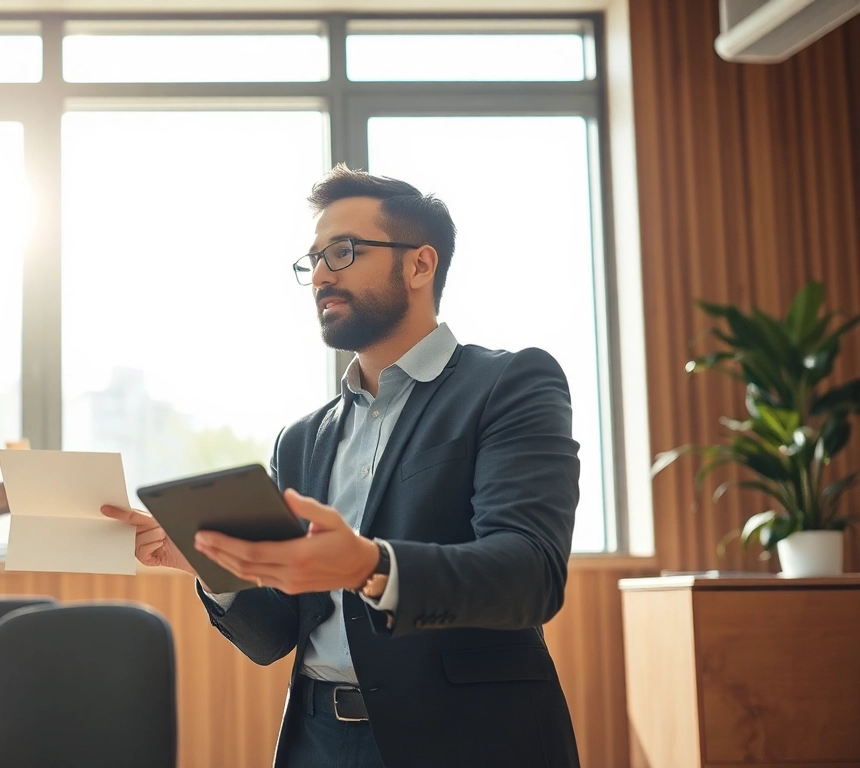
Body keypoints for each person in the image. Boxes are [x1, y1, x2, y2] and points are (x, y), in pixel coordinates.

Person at [102, 164, 582, 768]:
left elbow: (530, 574)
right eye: (314, 260)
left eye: (343, 251)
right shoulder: (300, 440)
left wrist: (369, 565)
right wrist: (211, 566)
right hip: (317, 741)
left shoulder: (510, 383)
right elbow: (274, 636)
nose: (322, 274)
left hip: (465, 739)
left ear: (420, 265)